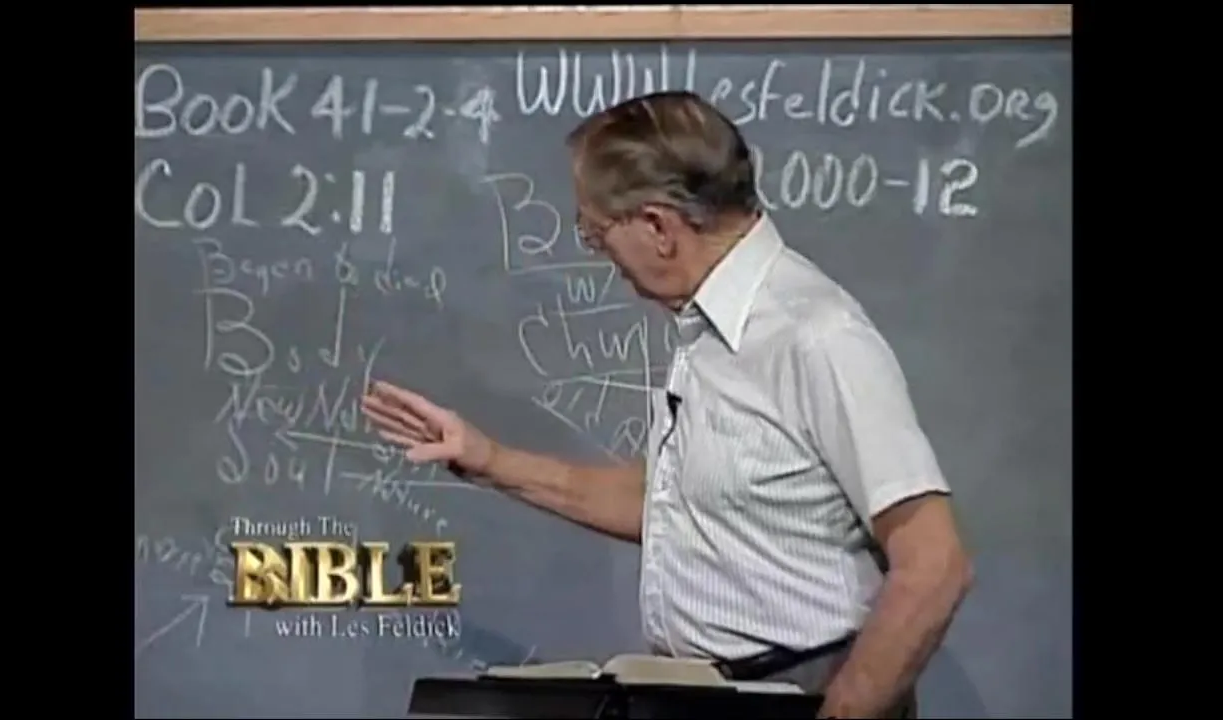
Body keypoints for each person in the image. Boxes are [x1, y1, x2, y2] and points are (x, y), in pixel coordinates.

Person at [361, 91, 972, 719]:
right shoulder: (710, 330)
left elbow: (933, 563)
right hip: (701, 694)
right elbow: (675, 506)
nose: (601, 256)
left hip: (803, 692)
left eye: (597, 233)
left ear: (657, 226)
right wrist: (487, 459)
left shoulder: (815, 337)